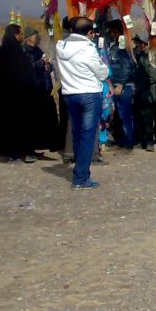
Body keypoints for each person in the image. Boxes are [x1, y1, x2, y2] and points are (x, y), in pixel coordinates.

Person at [56, 17, 109, 189]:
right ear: (89, 32)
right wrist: (106, 69)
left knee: (77, 133)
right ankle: (81, 177)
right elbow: (101, 73)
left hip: (70, 94)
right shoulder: (88, 48)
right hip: (89, 94)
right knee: (87, 135)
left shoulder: (61, 46)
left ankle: (80, 173)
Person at [0, 25, 38, 162]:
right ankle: (21, 152)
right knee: (21, 124)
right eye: (21, 34)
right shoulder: (18, 53)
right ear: (16, 35)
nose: (22, 36)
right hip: (20, 96)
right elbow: (26, 74)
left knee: (5, 125)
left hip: (2, 96)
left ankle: (8, 152)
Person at [23, 27, 59, 153]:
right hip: (34, 89)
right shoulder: (25, 51)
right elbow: (27, 67)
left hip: (44, 88)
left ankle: (44, 144)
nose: (38, 37)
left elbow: (45, 67)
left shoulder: (37, 49)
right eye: (36, 35)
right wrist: (41, 62)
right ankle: (31, 148)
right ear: (30, 37)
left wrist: (48, 65)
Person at [105, 20, 136, 150]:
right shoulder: (114, 47)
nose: (112, 34)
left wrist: (121, 85)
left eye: (114, 32)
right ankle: (123, 139)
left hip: (124, 86)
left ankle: (129, 141)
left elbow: (127, 68)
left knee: (126, 114)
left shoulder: (124, 48)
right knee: (119, 114)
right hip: (115, 84)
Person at [132, 35, 156, 151]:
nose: (136, 46)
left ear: (143, 44)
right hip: (137, 92)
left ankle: (149, 142)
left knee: (147, 118)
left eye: (138, 44)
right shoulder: (136, 56)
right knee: (138, 117)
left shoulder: (150, 57)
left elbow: (153, 75)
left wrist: (140, 86)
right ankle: (139, 140)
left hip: (147, 92)